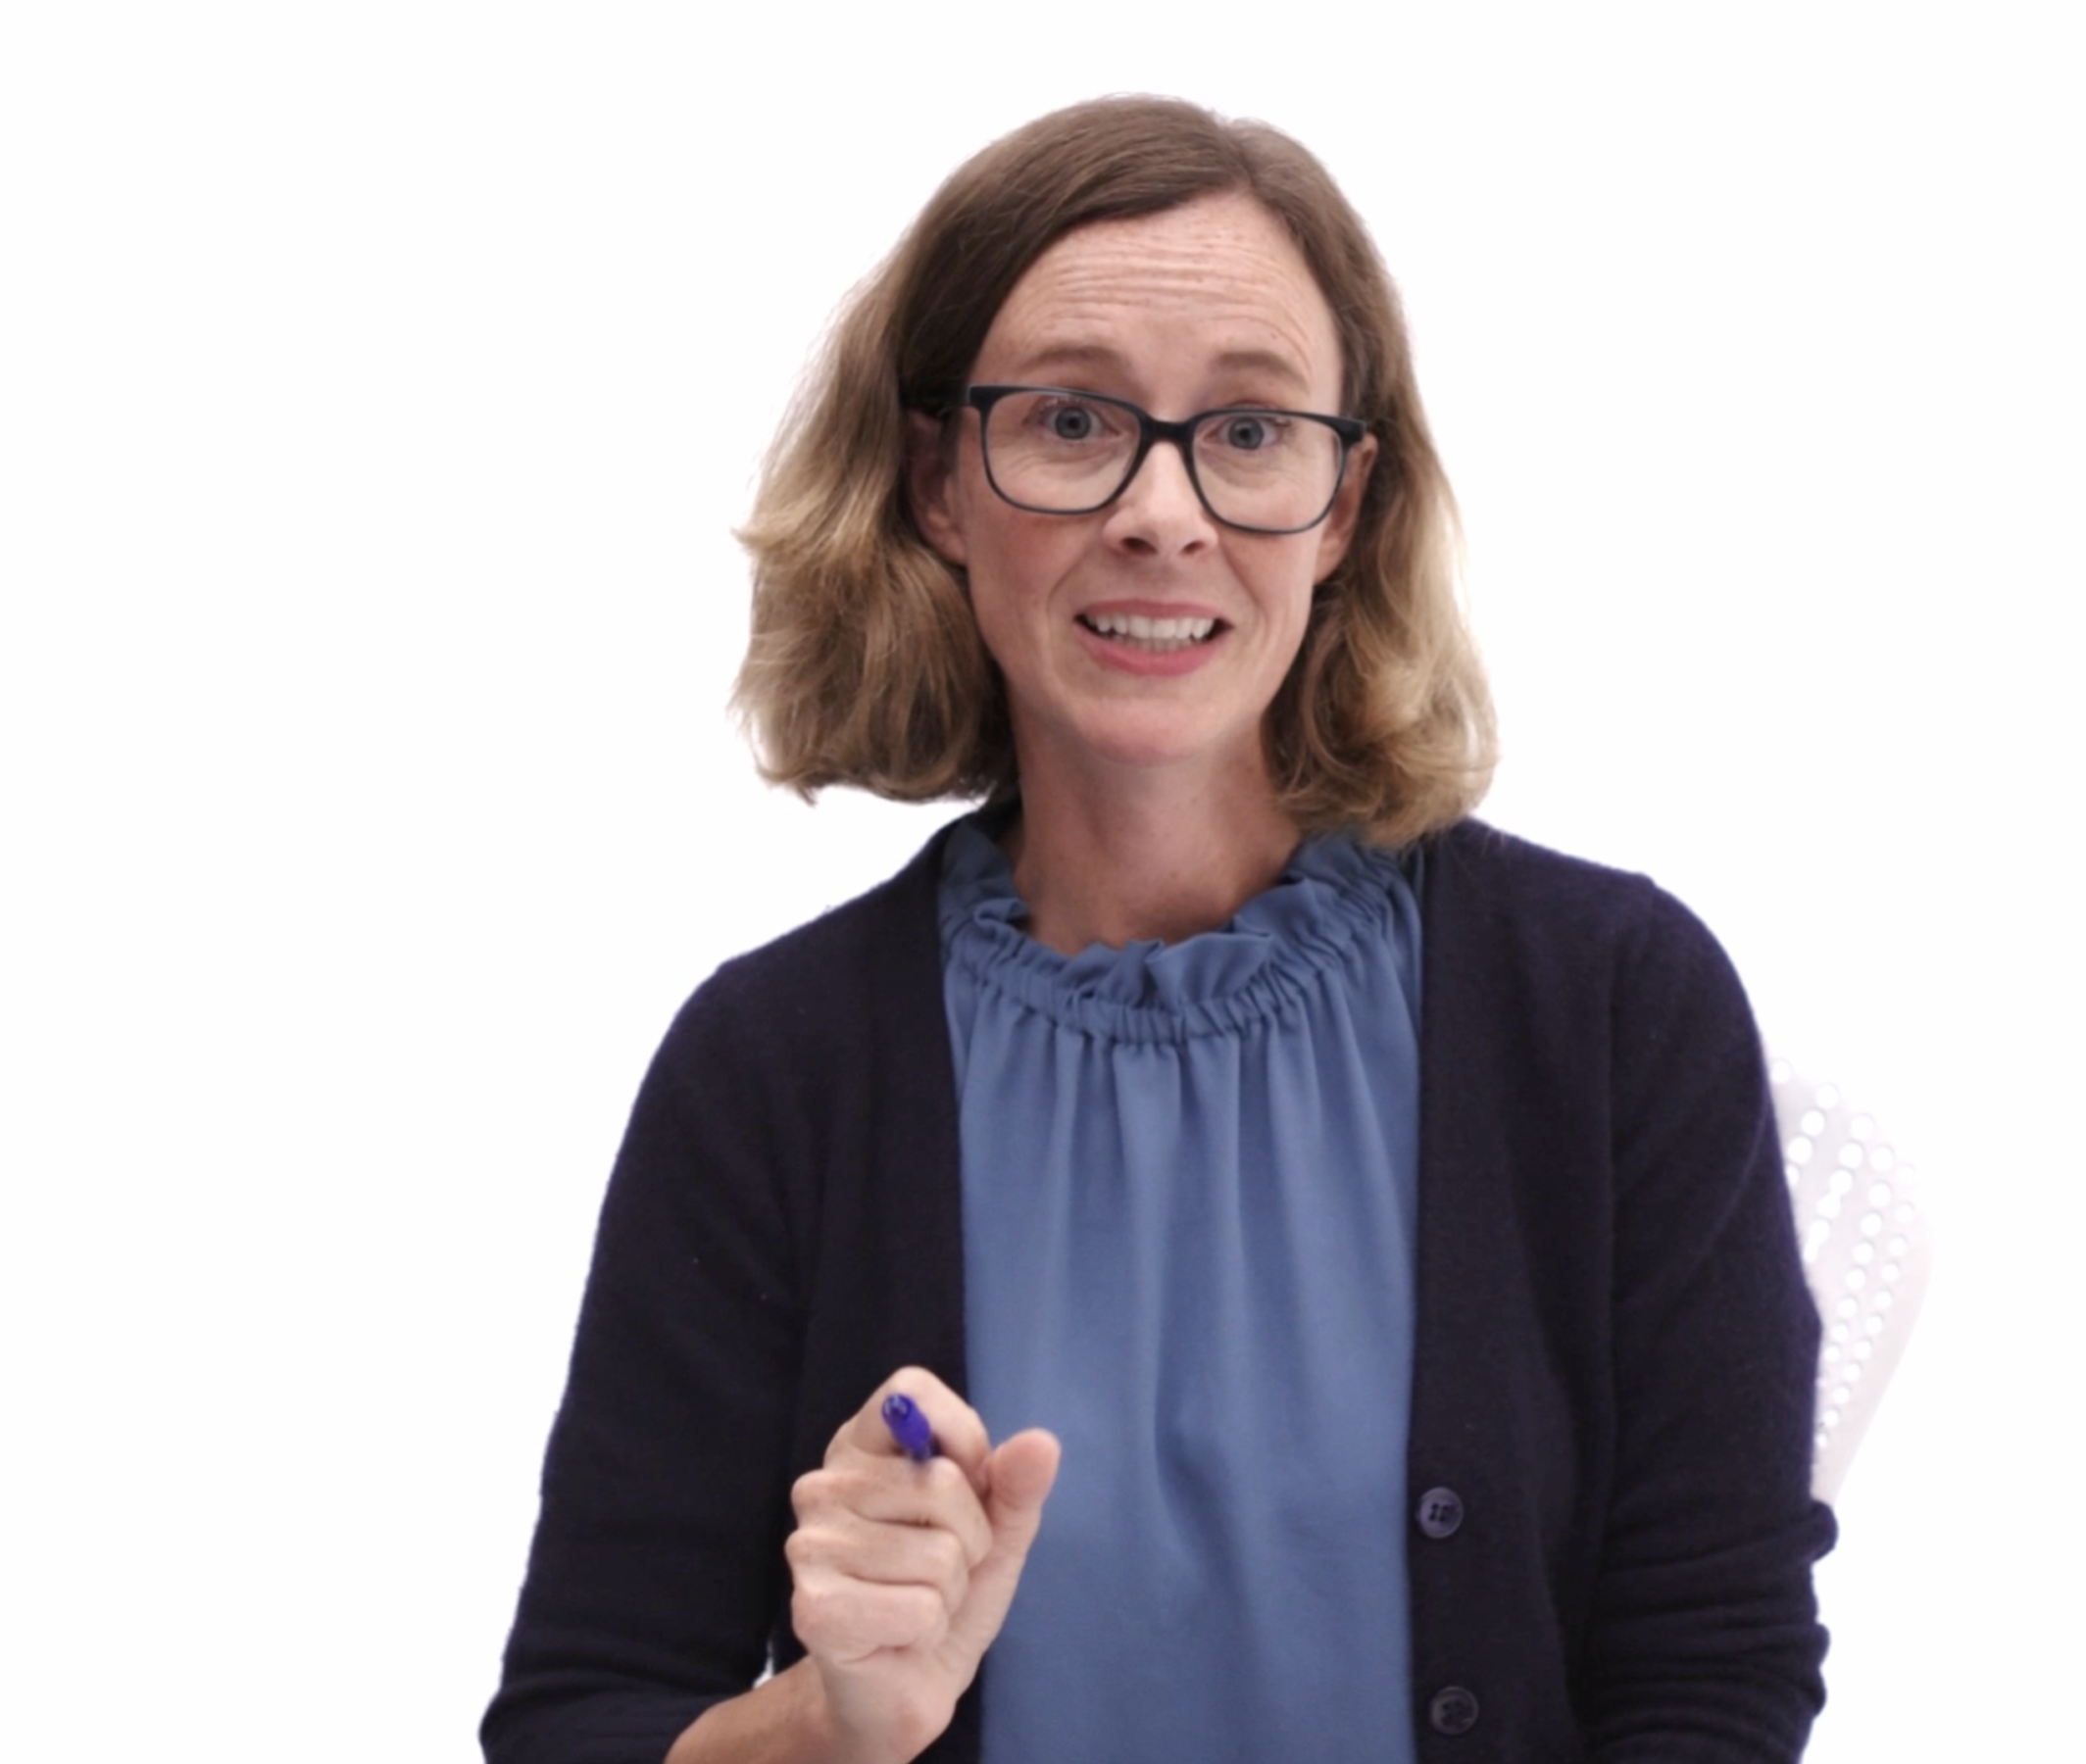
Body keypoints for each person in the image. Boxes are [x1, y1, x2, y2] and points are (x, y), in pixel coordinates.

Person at [482, 96, 1833, 1764]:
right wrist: (829, 1731)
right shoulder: (775, 1066)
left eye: (1252, 433)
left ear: (1344, 508)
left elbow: (1715, 1675)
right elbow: (576, 1718)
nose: (1164, 513)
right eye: (1069, 419)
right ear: (937, 485)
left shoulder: (1616, 1008)